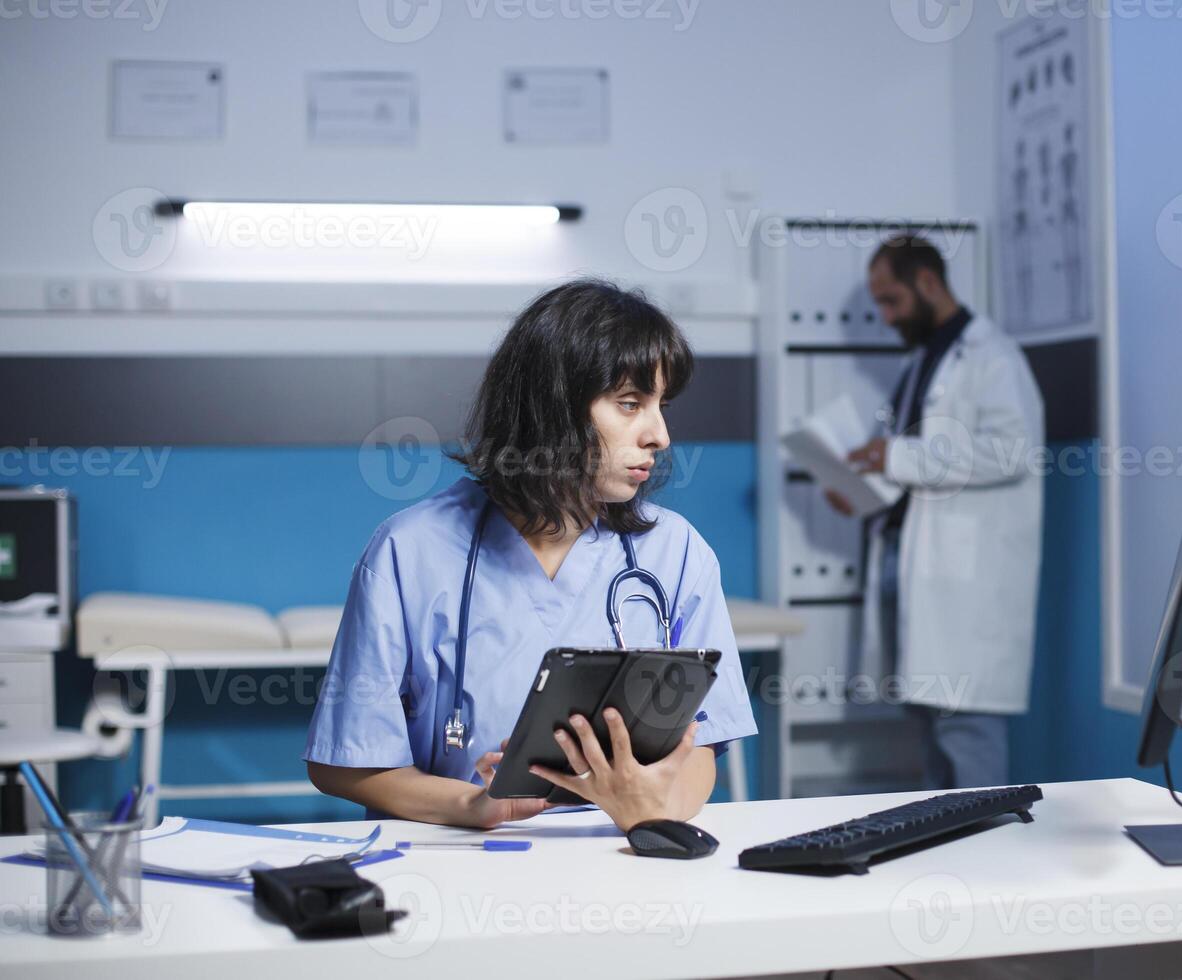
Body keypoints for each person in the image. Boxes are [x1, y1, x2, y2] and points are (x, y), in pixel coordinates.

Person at [305, 279, 758, 831]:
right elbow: (343, 763)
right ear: (553, 406)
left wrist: (652, 812)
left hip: (622, 856)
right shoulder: (410, 551)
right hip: (461, 863)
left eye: (660, 405)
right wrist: (471, 806)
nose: (660, 435)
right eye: (630, 404)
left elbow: (702, 747)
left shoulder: (677, 550)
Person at [828, 235, 1043, 790]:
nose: (886, 315)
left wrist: (894, 455)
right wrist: (858, 486)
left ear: (927, 282)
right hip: (918, 569)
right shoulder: (925, 361)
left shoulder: (993, 357)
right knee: (930, 723)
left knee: (965, 728)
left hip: (965, 585)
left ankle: (990, 851)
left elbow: (1013, 452)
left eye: (892, 299)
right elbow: (915, 466)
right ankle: (947, 845)